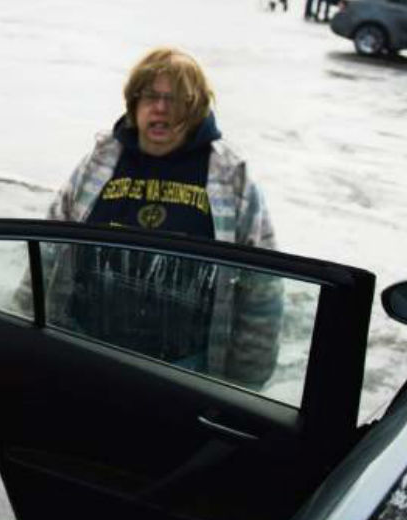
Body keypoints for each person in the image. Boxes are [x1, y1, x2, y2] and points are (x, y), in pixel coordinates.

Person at [16, 47, 283, 389]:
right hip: (86, 352)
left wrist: (246, 383)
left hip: (185, 373)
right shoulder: (98, 164)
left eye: (177, 100)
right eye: (151, 96)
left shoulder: (230, 178)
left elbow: (262, 287)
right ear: (134, 102)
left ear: (197, 108)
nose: (161, 108)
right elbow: (47, 250)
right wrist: (24, 323)